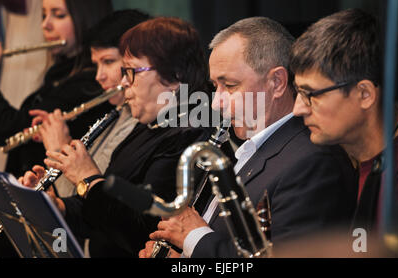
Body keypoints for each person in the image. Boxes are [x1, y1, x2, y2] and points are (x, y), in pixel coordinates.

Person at [139, 17, 358, 258]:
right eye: (215, 87)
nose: (216, 103)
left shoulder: (312, 162)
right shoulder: (252, 147)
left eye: (230, 86)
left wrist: (194, 237)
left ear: (277, 82)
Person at [21, 17, 213, 257]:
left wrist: (88, 178)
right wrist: (58, 207)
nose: (123, 83)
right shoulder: (150, 124)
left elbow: (142, 230)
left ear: (174, 78)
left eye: (131, 72)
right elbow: (102, 214)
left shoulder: (190, 135)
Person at [289, 9, 398, 253]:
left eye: (310, 95)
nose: (297, 109)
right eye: (298, 92)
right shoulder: (365, 159)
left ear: (365, 94)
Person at [0, 0, 114, 178]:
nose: (46, 25)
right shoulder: (59, 74)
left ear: (87, 18)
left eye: (58, 14)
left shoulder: (90, 82)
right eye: (44, 14)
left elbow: (10, 128)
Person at [30, 9, 151, 198]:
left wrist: (58, 148)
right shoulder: (118, 112)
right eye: (96, 64)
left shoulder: (139, 124)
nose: (98, 76)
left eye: (108, 62)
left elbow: (86, 200)